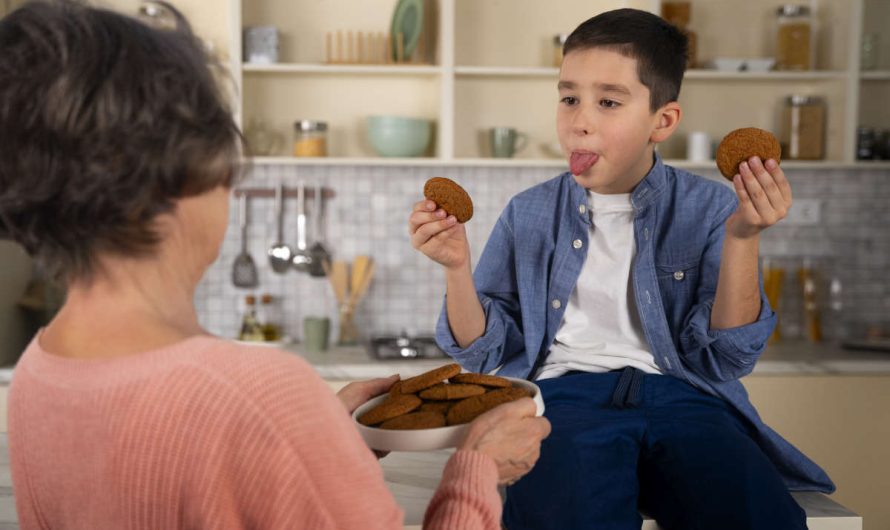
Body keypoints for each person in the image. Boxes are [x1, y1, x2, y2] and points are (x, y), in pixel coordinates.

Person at [0, 2, 551, 528]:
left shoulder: (35, 376)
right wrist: (475, 472)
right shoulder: (262, 393)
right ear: (179, 176)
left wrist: (317, 437)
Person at [410, 8, 833, 530]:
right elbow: (484, 351)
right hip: (562, 400)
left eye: (608, 102)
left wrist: (742, 237)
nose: (578, 120)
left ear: (663, 120)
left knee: (757, 515)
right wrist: (456, 268)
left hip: (687, 397)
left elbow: (727, 358)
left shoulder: (710, 208)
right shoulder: (529, 212)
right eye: (568, 98)